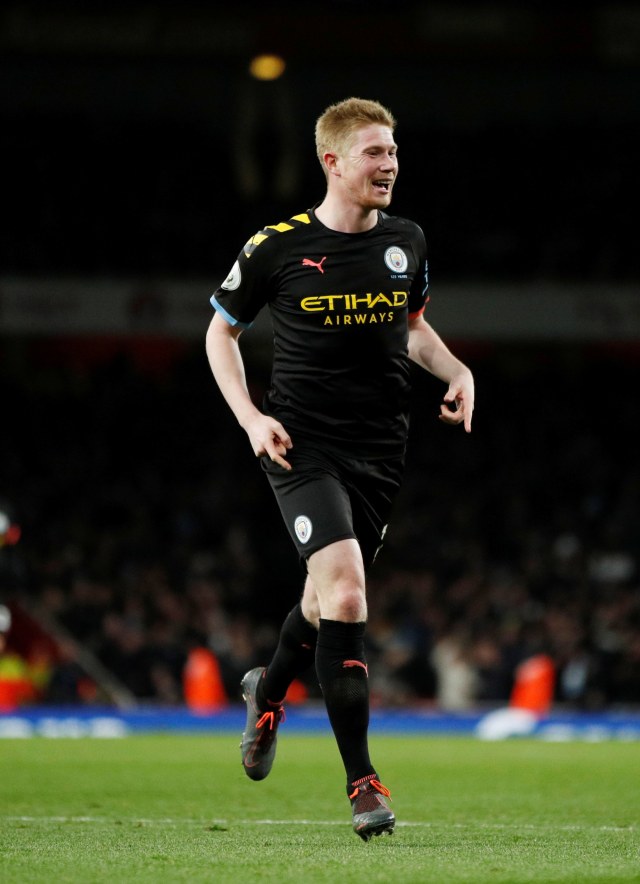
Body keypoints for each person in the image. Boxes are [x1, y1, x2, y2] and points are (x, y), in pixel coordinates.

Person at [205, 97, 474, 841]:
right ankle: (363, 782)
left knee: (323, 606)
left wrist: (457, 371)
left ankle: (267, 693)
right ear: (333, 162)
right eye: (374, 154)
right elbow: (219, 334)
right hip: (301, 446)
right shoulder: (276, 246)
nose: (389, 165)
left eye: (393, 152)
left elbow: (413, 330)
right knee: (349, 592)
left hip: (381, 450)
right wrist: (254, 418)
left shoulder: (407, 242)